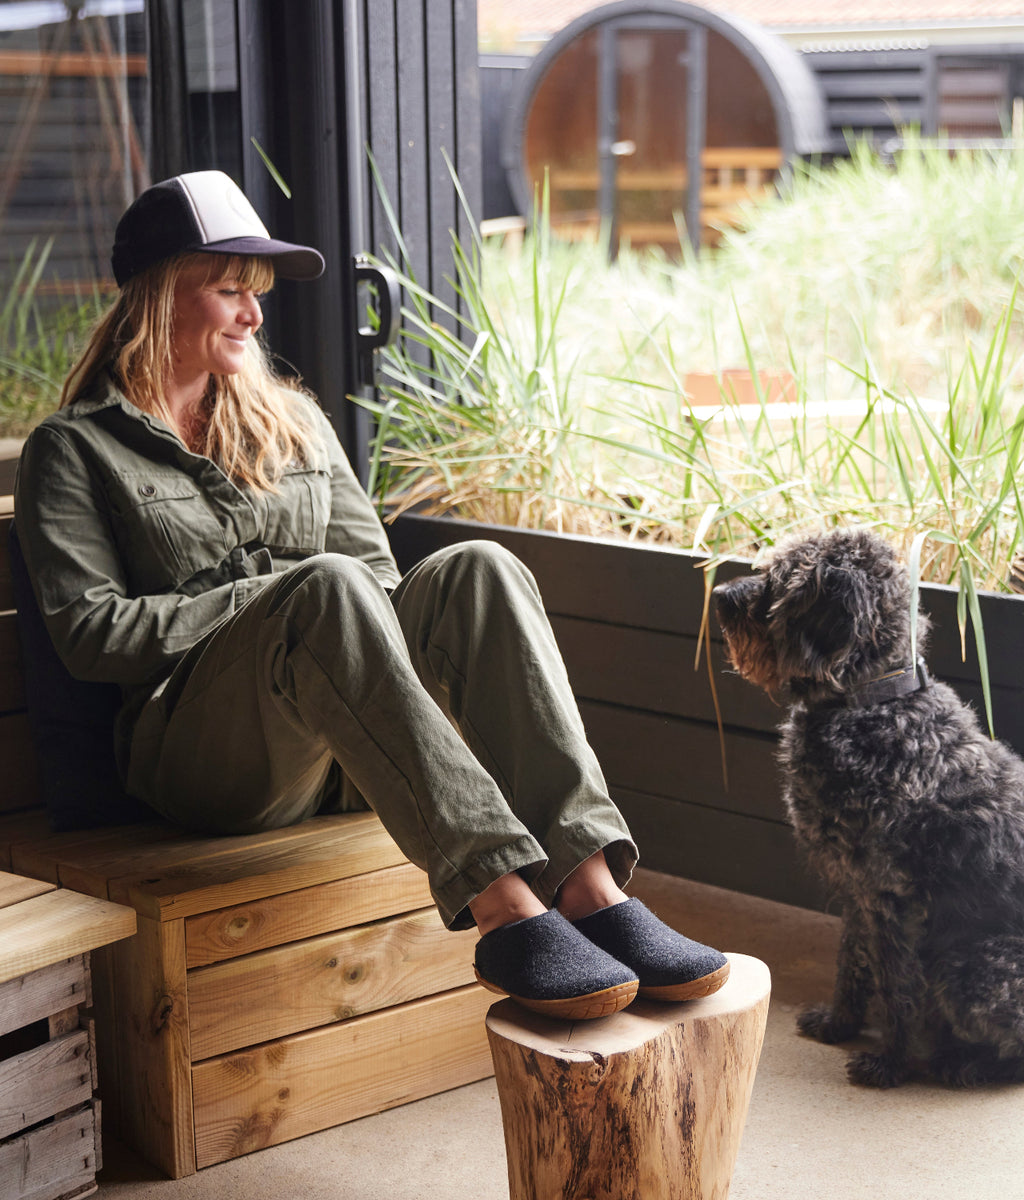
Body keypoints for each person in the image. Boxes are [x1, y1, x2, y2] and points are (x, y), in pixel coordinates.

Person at [14, 170, 728, 1021]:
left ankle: (589, 885)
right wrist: (272, 601)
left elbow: (377, 581)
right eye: (231, 290)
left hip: (347, 744)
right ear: (163, 294)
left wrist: (316, 602)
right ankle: (503, 907)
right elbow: (92, 634)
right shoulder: (74, 449)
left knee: (479, 568)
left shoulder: (293, 420)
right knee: (323, 585)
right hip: (204, 760)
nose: (255, 314)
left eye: (259, 294)